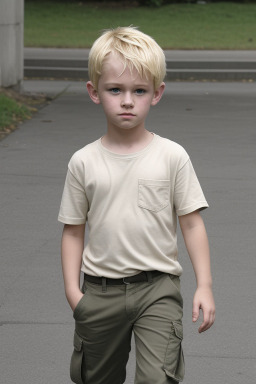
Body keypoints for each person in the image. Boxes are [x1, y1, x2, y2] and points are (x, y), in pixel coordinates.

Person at [58, 26, 215, 384]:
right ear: (94, 92)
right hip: (99, 292)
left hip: (157, 290)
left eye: (139, 91)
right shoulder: (83, 162)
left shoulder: (172, 156)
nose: (127, 100)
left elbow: (191, 224)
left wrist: (204, 284)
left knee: (158, 378)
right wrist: (73, 292)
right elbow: (73, 230)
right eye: (115, 89)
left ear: (156, 94)